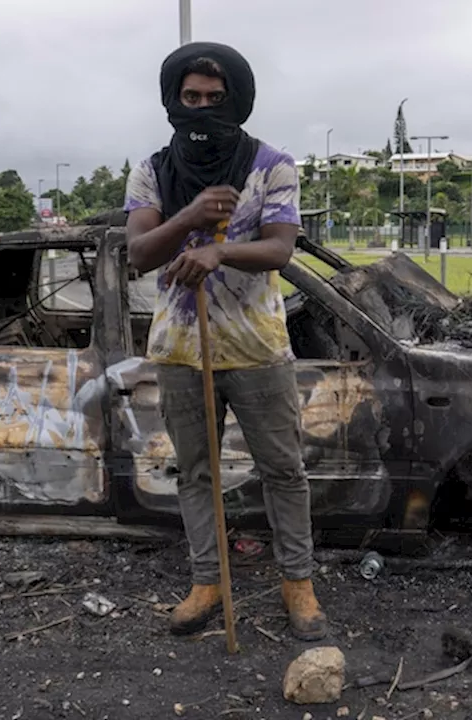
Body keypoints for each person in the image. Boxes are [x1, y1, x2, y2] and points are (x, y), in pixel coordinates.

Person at [122, 42, 327, 641]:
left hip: (258, 348)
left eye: (215, 98)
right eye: (191, 98)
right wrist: (189, 219)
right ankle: (208, 583)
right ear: (173, 101)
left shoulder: (272, 165)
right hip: (183, 350)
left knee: (284, 471)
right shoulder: (152, 170)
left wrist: (219, 250)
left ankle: (299, 585)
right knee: (196, 472)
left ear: (237, 99)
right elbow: (138, 253)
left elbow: (281, 249)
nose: (203, 108)